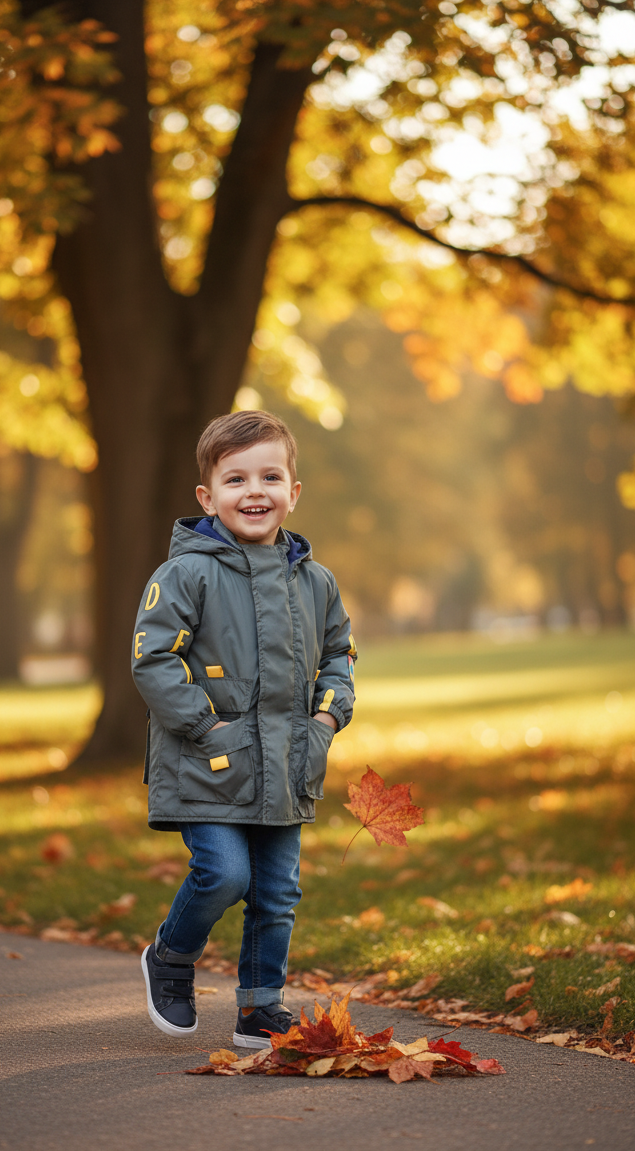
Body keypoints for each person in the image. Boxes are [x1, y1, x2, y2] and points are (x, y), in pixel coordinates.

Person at [132, 409, 356, 1048]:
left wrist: (325, 717)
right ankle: (171, 957)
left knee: (276, 893)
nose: (253, 491)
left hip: (288, 763)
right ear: (208, 496)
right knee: (224, 874)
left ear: (293, 491)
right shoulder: (187, 574)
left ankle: (261, 1007)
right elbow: (153, 656)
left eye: (269, 476)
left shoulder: (316, 583)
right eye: (235, 480)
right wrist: (204, 726)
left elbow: (340, 654)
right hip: (208, 761)